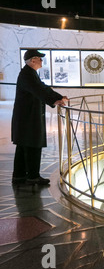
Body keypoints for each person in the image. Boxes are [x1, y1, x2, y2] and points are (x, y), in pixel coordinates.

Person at [11, 49, 68, 185]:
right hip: (28, 119)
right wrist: (54, 100)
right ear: (33, 60)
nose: (42, 61)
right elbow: (38, 90)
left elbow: (42, 87)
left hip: (26, 118)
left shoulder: (29, 73)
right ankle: (32, 177)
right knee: (32, 145)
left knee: (23, 146)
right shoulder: (27, 75)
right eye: (40, 58)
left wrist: (58, 97)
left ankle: (19, 176)